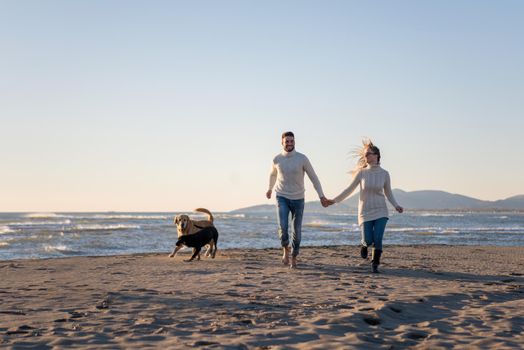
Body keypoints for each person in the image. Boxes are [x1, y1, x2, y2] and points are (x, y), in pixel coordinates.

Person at [325, 139, 403, 273]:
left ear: (376, 155)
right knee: (368, 239)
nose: (365, 157)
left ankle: (375, 263)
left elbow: (388, 192)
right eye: (365, 155)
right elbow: (349, 189)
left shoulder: (385, 174)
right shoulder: (361, 173)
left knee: (377, 239)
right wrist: (334, 200)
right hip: (365, 211)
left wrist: (396, 205)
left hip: (381, 211)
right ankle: (364, 244)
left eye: (368, 154)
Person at [267, 131, 329, 268]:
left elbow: (314, 177)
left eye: (292, 141)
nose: (289, 143)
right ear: (282, 142)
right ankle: (285, 250)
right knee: (283, 228)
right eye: (287, 141)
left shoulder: (302, 159)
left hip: (298, 199)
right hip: (281, 196)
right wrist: (270, 188)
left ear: (294, 142)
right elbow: (272, 175)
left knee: (297, 231)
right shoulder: (276, 159)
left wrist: (321, 195)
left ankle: (294, 256)